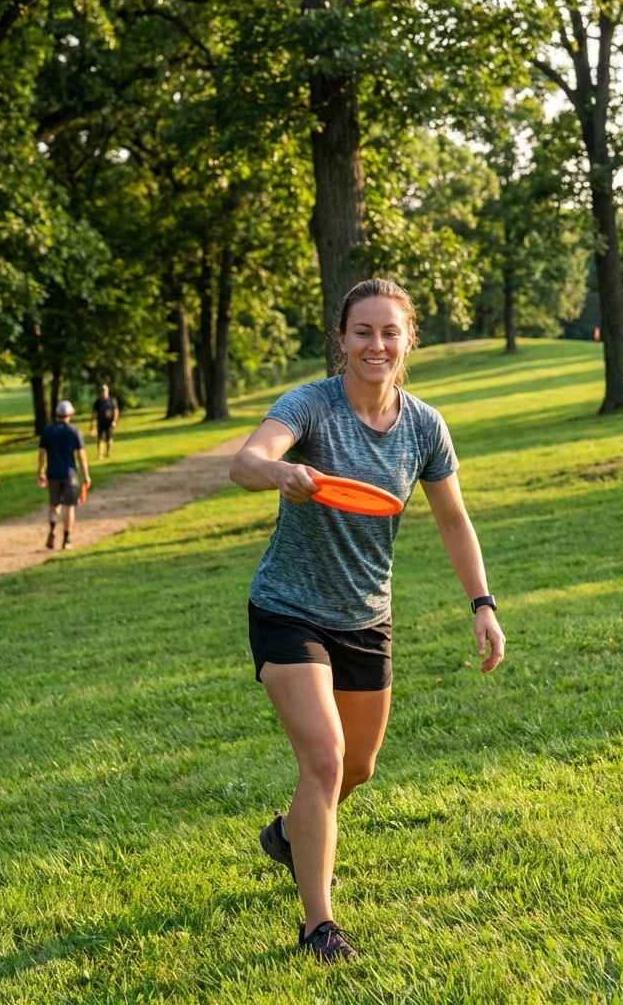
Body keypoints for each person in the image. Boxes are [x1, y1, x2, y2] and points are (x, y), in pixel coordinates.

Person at [229, 278, 506, 962]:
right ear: (342, 338)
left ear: (409, 340)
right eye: (362, 331)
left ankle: (288, 836)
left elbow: (453, 520)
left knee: (357, 768)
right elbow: (246, 461)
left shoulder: (423, 426)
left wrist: (483, 604)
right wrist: (281, 474)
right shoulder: (311, 406)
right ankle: (318, 926)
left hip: (365, 615)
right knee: (324, 760)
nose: (375, 344)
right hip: (289, 607)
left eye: (389, 332)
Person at [38, 400, 91, 550]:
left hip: (52, 473)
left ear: (56, 414)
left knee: (54, 506)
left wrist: (40, 471)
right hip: (69, 474)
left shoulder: (48, 431)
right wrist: (86, 475)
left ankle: (52, 530)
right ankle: (66, 540)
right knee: (69, 507)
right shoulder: (74, 431)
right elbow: (81, 455)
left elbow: (41, 453)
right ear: (70, 414)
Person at [90, 384, 119, 460]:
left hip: (109, 423)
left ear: (108, 391)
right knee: (100, 439)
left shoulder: (112, 401)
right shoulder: (98, 401)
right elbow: (94, 413)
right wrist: (92, 423)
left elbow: (116, 411)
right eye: (102, 391)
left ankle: (108, 452)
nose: (103, 392)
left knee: (109, 438)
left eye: (105, 391)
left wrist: (114, 421)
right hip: (100, 422)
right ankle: (100, 454)